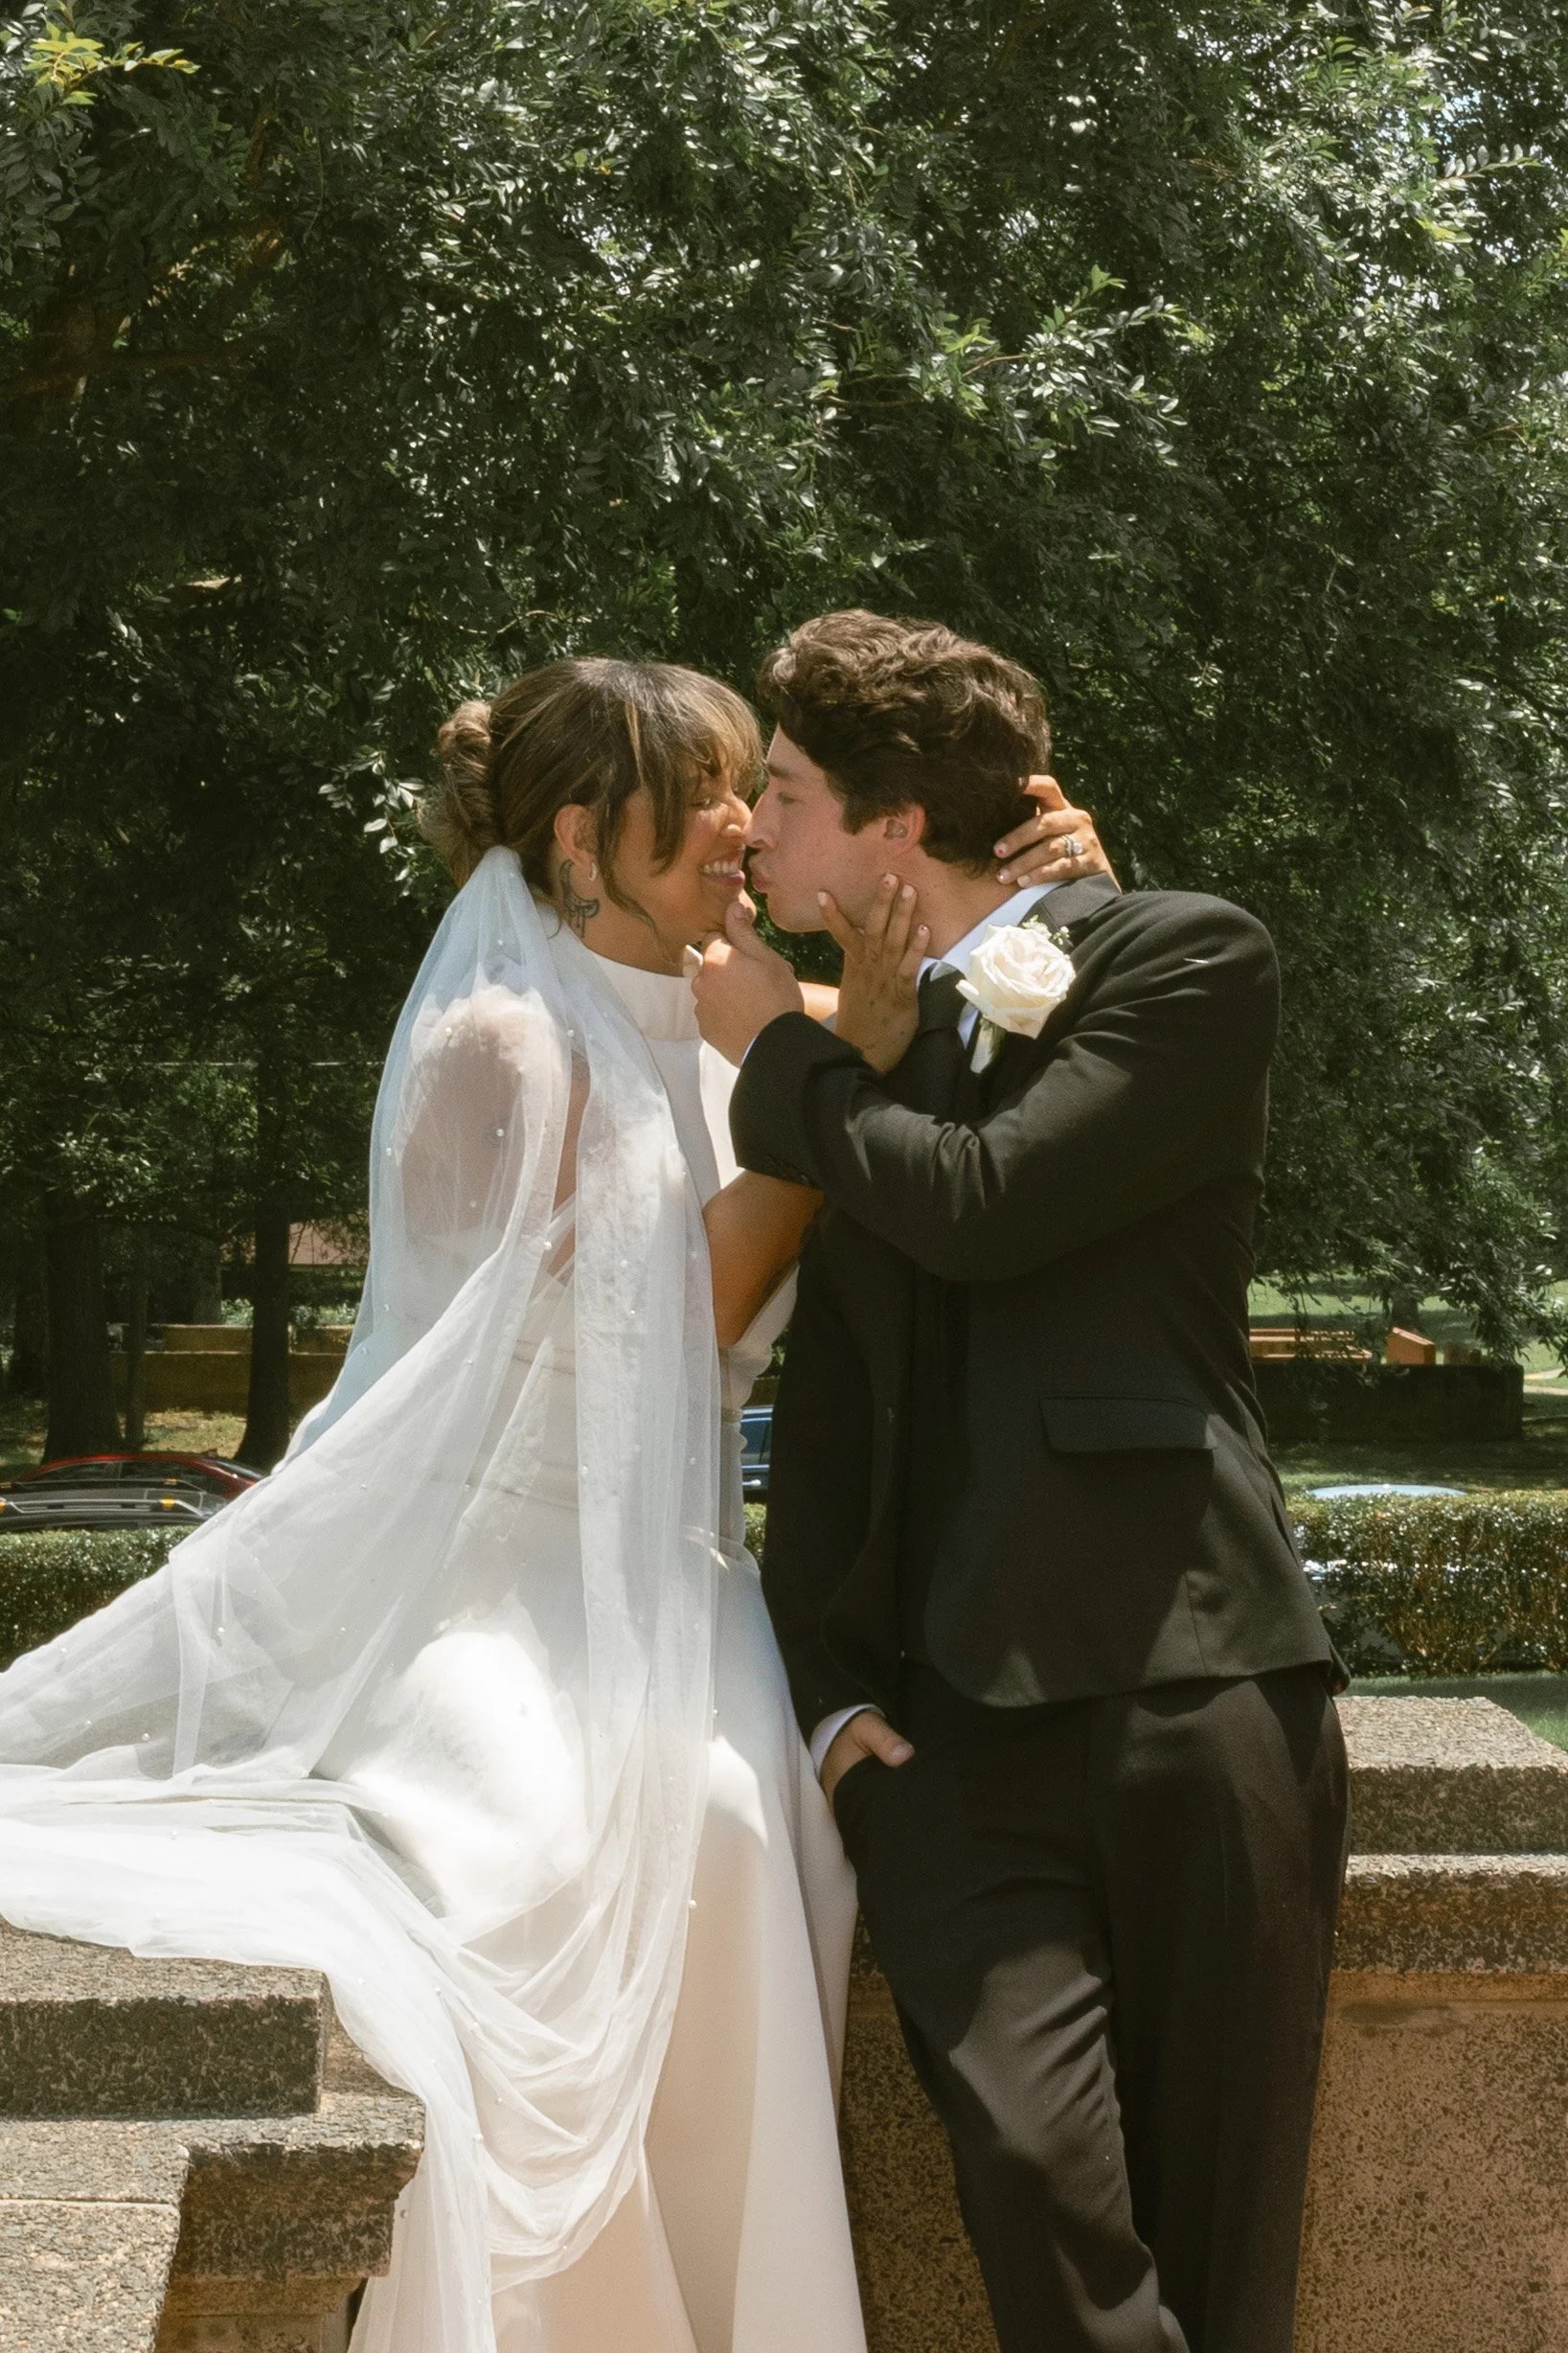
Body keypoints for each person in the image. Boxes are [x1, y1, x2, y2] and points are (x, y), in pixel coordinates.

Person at [0, 648, 1103, 2353]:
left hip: (671, 1576)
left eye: (758, 779)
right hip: (498, 1572)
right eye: (710, 792)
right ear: (586, 841)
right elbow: (684, 1325)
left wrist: (1059, 893)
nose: (745, 822)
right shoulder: (500, 1050)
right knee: (563, 1859)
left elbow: (964, 995)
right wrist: (843, 1093)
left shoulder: (756, 1023)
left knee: (753, 1836)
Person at [693, 609, 1351, 2353]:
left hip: (1196, 1688)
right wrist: (834, 1711)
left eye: (786, 789)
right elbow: (831, 1410)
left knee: (1226, 2263)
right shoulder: (861, 1051)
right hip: (946, 1757)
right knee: (1042, 2213)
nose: (752, 828)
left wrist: (788, 1048)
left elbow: (987, 1205)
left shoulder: (1188, 956)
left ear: (899, 825)